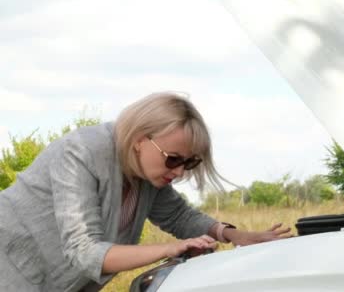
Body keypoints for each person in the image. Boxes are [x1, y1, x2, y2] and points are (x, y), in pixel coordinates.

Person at [0, 92, 291, 291]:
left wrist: (231, 234)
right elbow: (84, 251)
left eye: (188, 162)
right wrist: (167, 249)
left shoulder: (146, 173)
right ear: (140, 139)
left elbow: (177, 215)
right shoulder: (81, 152)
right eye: (173, 158)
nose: (179, 172)